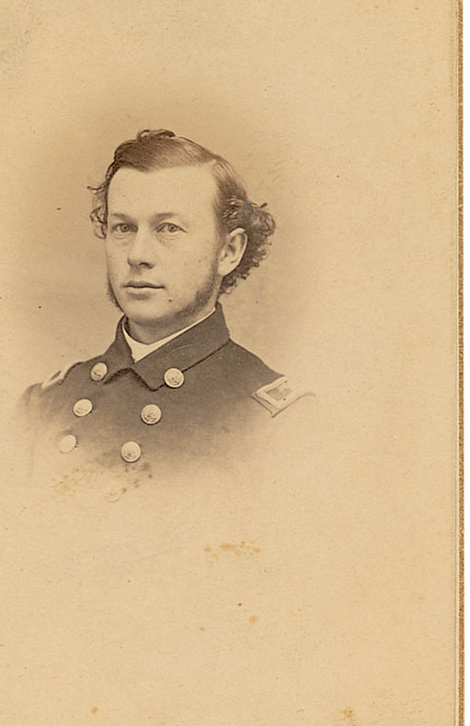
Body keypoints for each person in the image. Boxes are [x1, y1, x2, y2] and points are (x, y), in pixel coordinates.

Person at [20, 129, 310, 488]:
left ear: (228, 251)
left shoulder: (278, 424)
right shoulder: (43, 405)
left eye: (169, 229)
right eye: (123, 227)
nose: (137, 254)